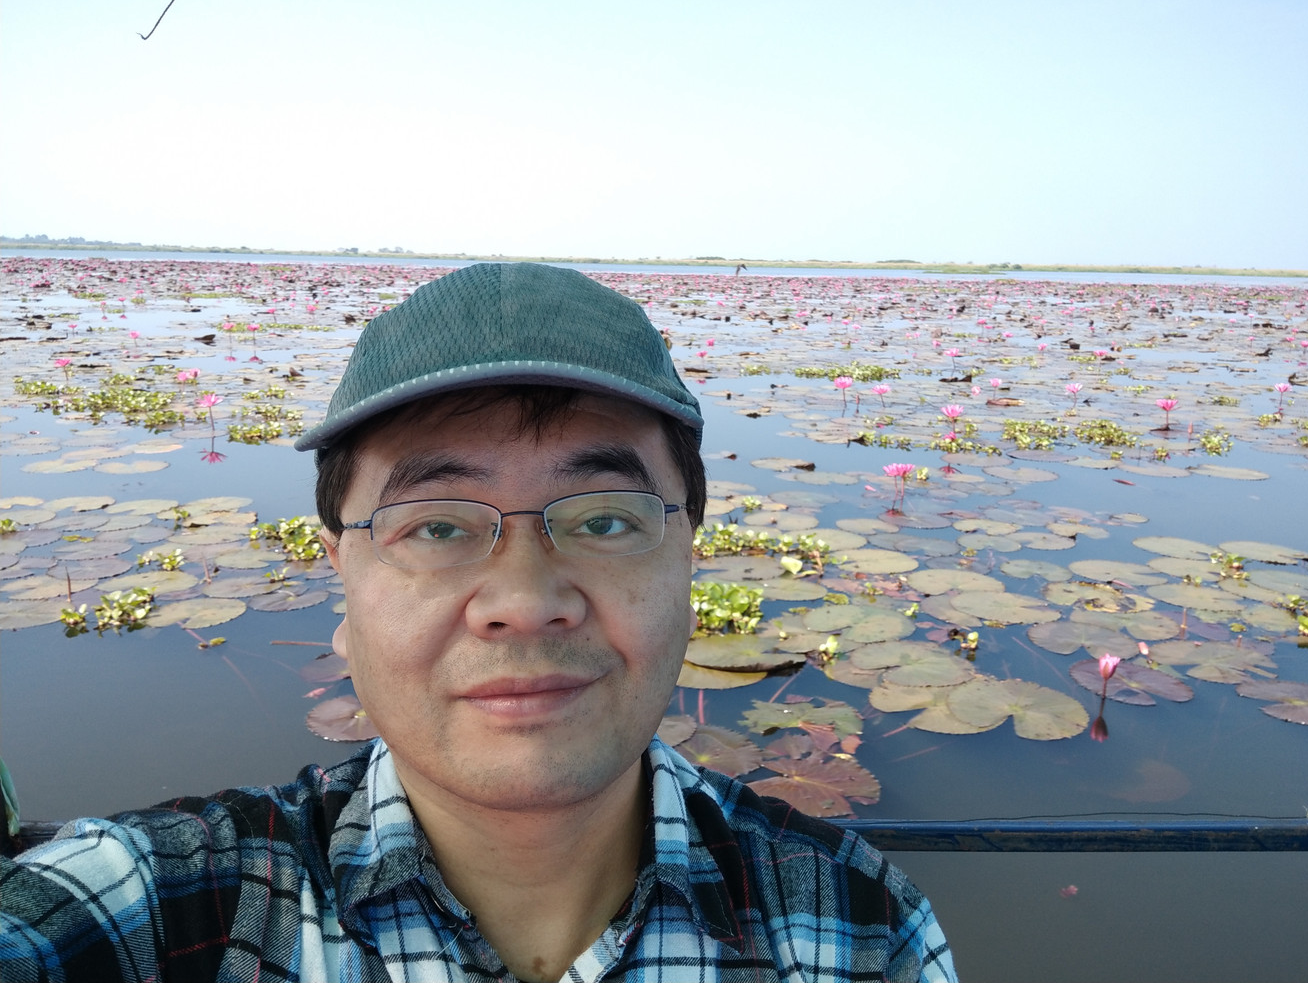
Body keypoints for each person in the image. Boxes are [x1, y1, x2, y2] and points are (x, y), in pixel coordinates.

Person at [0, 263, 956, 982]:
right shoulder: (153, 911)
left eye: (606, 521)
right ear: (343, 576)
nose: (524, 600)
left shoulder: (858, 930)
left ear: (687, 560)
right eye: (437, 526)